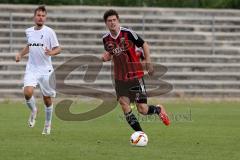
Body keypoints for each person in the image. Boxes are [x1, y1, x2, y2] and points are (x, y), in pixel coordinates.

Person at [101, 9, 170, 132]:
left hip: (135, 76)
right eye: (109, 21)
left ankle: (158, 110)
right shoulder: (105, 39)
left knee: (142, 109)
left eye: (114, 20)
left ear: (118, 20)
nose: (112, 23)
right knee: (124, 104)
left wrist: (148, 63)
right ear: (106, 23)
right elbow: (111, 54)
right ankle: (140, 134)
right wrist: (106, 56)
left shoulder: (128, 33)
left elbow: (144, 44)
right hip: (120, 78)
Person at [15, 6, 61, 135]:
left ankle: (47, 124)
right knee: (27, 92)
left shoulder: (50, 32)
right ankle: (34, 110)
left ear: (45, 18)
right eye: (38, 15)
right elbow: (29, 46)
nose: (40, 17)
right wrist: (20, 54)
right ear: (34, 17)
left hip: (46, 70)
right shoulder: (28, 31)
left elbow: (58, 48)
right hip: (32, 68)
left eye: (43, 15)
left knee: (47, 100)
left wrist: (51, 52)